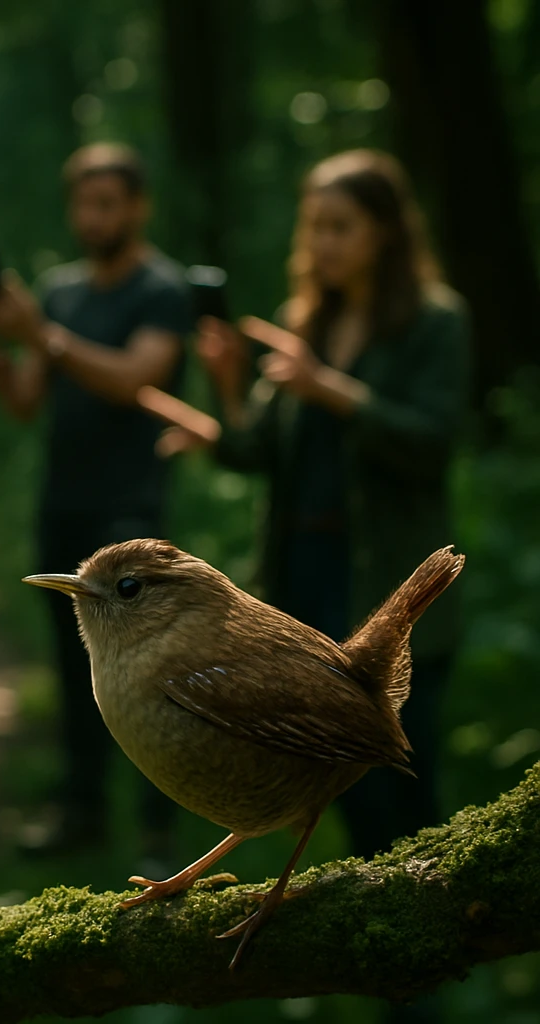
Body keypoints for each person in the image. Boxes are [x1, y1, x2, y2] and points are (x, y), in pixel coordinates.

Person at [159, 149, 470, 869]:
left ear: (386, 232)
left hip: (383, 580)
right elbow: (262, 450)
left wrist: (329, 387)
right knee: (339, 784)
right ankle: (371, 933)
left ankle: (431, 933)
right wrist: (226, 396)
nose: (322, 243)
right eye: (314, 228)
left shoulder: (435, 321)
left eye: (340, 226)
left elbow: (431, 441)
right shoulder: (309, 323)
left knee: (404, 781)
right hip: (303, 583)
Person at [0, 143, 193, 856]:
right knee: (79, 670)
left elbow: (135, 380)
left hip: (131, 513)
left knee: (157, 674)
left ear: (137, 206)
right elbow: (31, 400)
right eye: (83, 203)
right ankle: (83, 811)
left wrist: (42, 336)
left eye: (107, 202)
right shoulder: (61, 291)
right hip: (62, 504)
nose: (92, 217)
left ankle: (161, 827)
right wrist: (7, 374)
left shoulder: (163, 290)